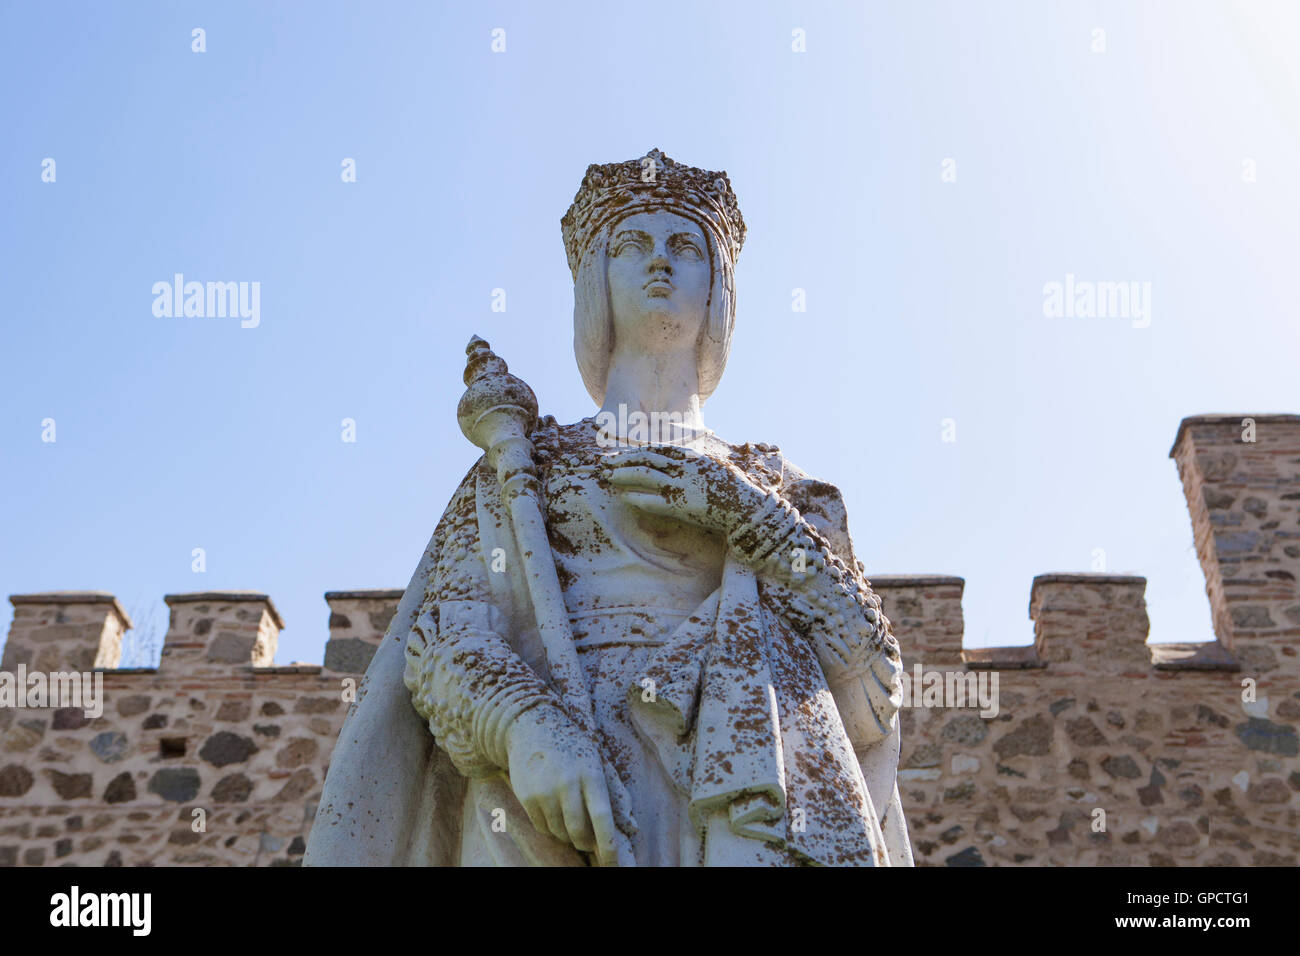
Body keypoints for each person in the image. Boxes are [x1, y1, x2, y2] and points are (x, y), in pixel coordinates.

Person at [305, 149, 912, 867]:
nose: (661, 262)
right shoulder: (525, 469)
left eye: (685, 246)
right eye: (634, 244)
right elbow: (445, 641)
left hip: (745, 787)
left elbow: (872, 695)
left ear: (717, 284)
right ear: (597, 275)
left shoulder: (783, 491)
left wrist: (754, 523)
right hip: (554, 792)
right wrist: (527, 727)